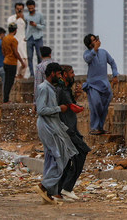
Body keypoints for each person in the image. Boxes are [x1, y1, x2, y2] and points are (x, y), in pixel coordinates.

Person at [34, 62, 78, 204]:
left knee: (52, 158)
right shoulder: (43, 88)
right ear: (52, 73)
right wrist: (59, 108)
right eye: (58, 74)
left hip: (53, 125)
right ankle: (44, 185)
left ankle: (48, 193)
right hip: (47, 126)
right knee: (60, 158)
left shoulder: (51, 88)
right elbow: (41, 110)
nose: (60, 76)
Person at [55, 65, 90, 200]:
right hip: (68, 130)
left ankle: (61, 189)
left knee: (70, 158)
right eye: (71, 73)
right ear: (64, 74)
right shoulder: (61, 90)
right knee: (81, 153)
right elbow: (72, 107)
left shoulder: (65, 90)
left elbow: (70, 105)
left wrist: (75, 96)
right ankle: (66, 188)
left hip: (70, 129)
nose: (73, 75)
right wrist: (78, 107)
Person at [82, 34, 119, 135]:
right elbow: (88, 59)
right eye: (94, 40)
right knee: (96, 104)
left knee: (104, 106)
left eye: (97, 39)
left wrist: (115, 74)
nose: (97, 41)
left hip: (104, 84)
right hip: (93, 85)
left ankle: (100, 127)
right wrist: (95, 50)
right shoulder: (87, 53)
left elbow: (112, 62)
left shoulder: (104, 52)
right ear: (90, 45)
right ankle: (94, 127)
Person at [2, 23, 27, 103]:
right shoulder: (13, 40)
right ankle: (6, 99)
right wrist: (22, 61)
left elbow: (3, 51)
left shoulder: (5, 38)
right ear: (15, 30)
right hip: (11, 63)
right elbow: (15, 52)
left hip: (5, 61)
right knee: (10, 82)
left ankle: (5, 98)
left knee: (6, 81)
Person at [7, 2, 29, 79]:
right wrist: (17, 18)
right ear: (15, 9)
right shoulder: (11, 18)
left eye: (21, 9)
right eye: (17, 9)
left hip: (23, 43)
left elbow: (29, 27)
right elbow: (10, 26)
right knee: (16, 61)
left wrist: (22, 18)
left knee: (24, 61)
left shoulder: (25, 18)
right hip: (14, 42)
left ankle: (21, 76)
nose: (19, 10)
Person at [25, 0, 46, 77]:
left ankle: (40, 73)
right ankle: (32, 74)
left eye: (32, 8)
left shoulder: (40, 15)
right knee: (29, 57)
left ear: (34, 7)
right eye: (29, 8)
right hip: (29, 38)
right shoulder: (26, 16)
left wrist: (36, 25)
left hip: (38, 37)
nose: (30, 10)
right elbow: (26, 27)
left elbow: (43, 26)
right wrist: (25, 36)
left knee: (40, 56)